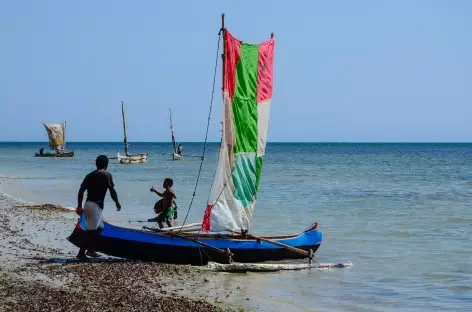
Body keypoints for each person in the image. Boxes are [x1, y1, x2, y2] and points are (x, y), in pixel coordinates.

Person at [75, 155, 121, 261]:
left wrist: (79, 205)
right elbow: (112, 191)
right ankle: (81, 253)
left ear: (96, 164)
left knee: (99, 228)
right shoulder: (107, 175)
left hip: (89, 205)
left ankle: (90, 249)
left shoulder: (89, 175)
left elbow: (81, 191)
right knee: (91, 231)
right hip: (94, 206)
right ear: (106, 164)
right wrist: (117, 202)